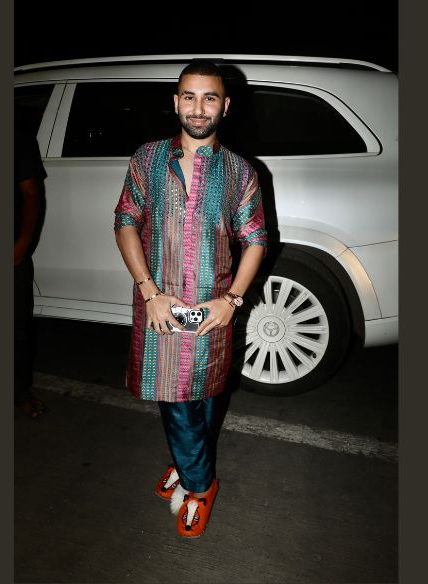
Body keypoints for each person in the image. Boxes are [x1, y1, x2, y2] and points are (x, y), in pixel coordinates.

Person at [114, 61, 267, 537]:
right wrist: (149, 292)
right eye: (189, 96)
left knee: (204, 396)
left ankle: (192, 473)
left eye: (209, 98)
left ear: (225, 105)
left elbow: (256, 240)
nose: (198, 108)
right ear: (175, 101)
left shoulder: (240, 171)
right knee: (174, 399)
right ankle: (197, 479)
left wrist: (231, 301)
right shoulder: (147, 158)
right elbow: (125, 222)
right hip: (160, 306)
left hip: (212, 309)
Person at [15, 123, 47, 418]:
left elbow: (31, 193)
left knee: (17, 329)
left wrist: (21, 247)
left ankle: (20, 392)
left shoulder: (17, 135)